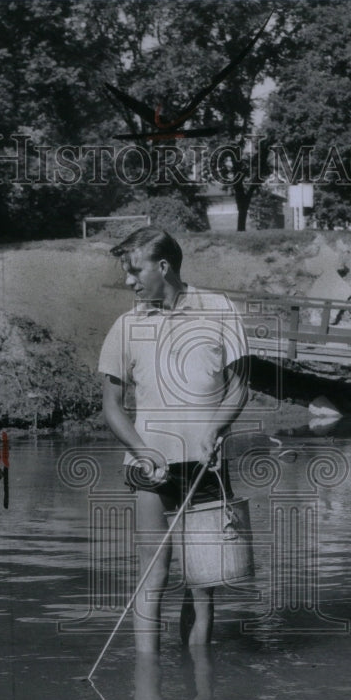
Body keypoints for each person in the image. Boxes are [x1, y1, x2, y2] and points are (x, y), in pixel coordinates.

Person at [98, 226, 249, 651]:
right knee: (153, 574)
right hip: (149, 464)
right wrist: (141, 450)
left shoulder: (219, 309)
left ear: (163, 267)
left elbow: (239, 386)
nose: (128, 281)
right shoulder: (126, 325)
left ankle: (200, 689)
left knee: (202, 584)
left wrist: (217, 429)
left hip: (205, 463)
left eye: (134, 271)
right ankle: (148, 690)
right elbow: (112, 405)